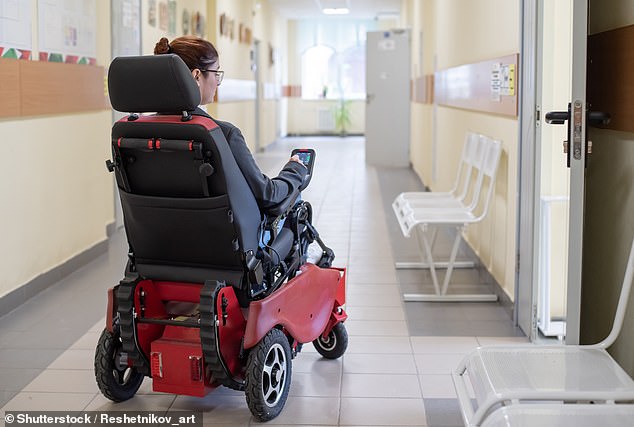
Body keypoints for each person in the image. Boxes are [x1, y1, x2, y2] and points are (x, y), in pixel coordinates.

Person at [153, 36, 307, 213]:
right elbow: (267, 195)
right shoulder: (223, 134)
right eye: (215, 73)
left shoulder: (133, 132)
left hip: (157, 237)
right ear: (197, 75)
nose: (218, 82)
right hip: (217, 237)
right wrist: (294, 170)